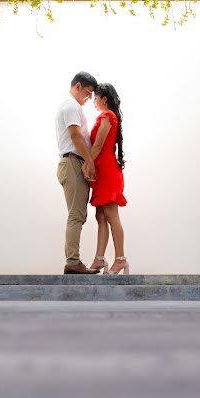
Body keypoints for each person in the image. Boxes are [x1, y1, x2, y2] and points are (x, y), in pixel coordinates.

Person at [55, 71, 102, 274]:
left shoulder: (70, 106)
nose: (89, 98)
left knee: (78, 215)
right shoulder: (71, 105)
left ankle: (73, 261)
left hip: (73, 163)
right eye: (88, 92)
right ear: (77, 87)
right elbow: (75, 134)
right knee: (76, 215)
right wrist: (89, 160)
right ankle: (72, 262)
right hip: (72, 163)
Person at [87, 83, 129, 275]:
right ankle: (99, 258)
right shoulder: (108, 117)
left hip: (107, 171)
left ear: (104, 99)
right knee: (101, 217)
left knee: (112, 216)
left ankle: (120, 259)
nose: (94, 101)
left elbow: (97, 146)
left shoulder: (107, 116)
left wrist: (86, 163)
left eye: (95, 98)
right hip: (102, 171)